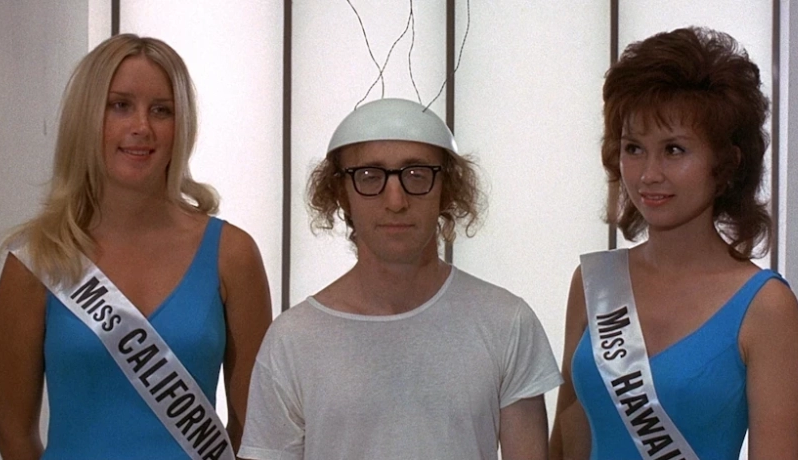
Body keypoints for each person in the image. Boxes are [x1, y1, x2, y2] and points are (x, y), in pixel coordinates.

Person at [0, 34, 272, 459]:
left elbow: (256, 432)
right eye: (120, 105)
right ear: (87, 117)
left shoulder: (232, 255)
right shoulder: (37, 261)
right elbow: (14, 435)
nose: (142, 126)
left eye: (162, 110)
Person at [238, 98, 562, 460]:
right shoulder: (293, 339)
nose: (396, 200)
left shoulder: (507, 322)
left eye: (417, 175)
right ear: (341, 192)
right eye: (369, 176)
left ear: (446, 188)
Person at [549, 27, 798, 459]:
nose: (649, 174)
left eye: (674, 150)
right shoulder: (594, 283)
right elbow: (566, 440)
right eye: (634, 148)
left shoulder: (766, 307)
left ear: (726, 163)